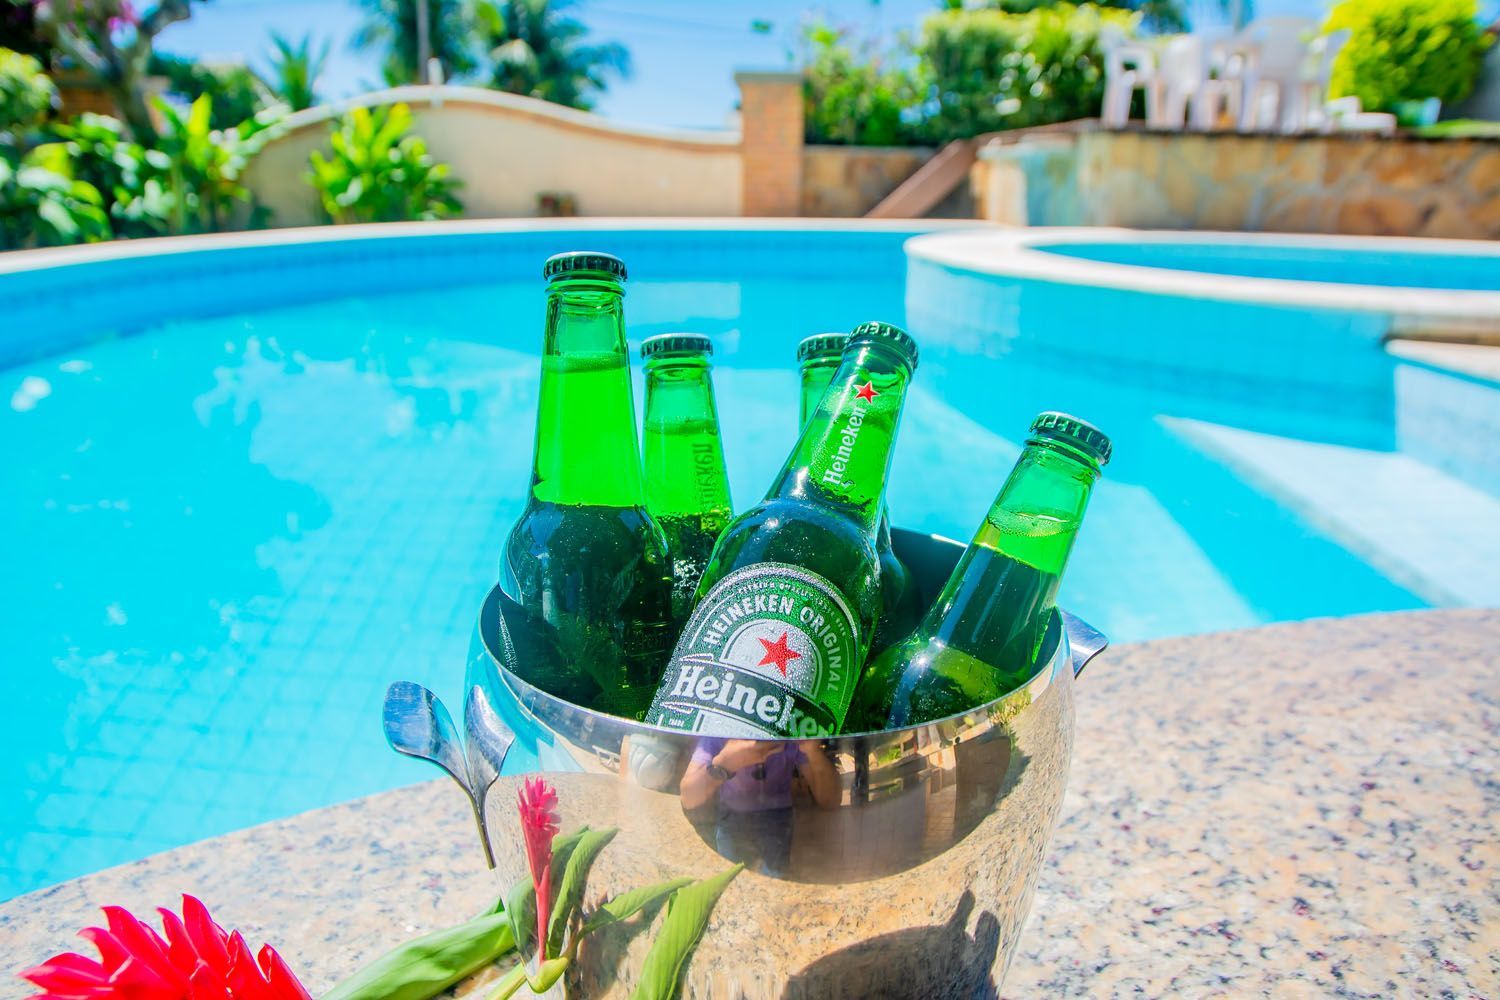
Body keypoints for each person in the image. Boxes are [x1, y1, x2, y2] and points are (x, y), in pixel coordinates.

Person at [680, 738, 840, 876]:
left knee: (774, 877)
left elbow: (830, 800)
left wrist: (813, 752)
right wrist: (725, 763)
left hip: (777, 820)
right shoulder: (721, 730)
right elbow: (689, 798)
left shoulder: (790, 734)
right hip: (733, 817)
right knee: (731, 879)